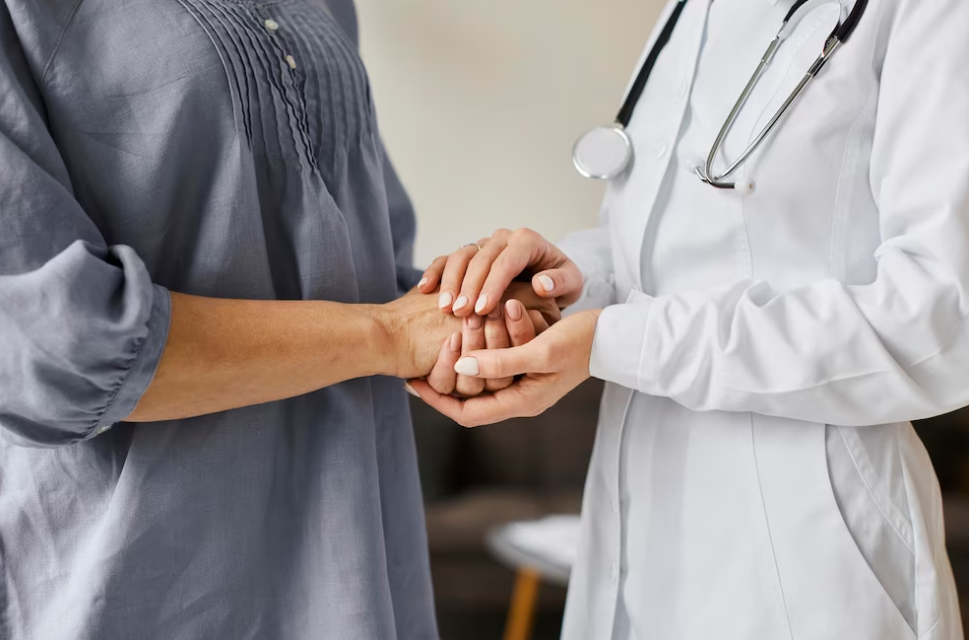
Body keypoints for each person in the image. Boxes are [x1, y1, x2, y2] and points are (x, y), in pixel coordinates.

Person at [410, 0, 969, 638]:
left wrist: (619, 340)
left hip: (804, 554)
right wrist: (555, 288)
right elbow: (662, 253)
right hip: (631, 533)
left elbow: (943, 321)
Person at [0, 0, 551, 638]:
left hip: (356, 567)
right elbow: (46, 344)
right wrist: (390, 335)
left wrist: (478, 307)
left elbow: (367, 267)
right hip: (146, 579)